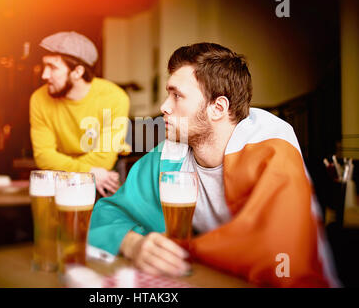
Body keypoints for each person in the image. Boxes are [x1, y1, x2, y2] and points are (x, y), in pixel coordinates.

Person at [89, 42, 340, 287]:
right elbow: (105, 214)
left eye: (177, 96)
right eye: (168, 94)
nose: (164, 107)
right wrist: (132, 243)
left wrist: (181, 249)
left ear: (217, 108)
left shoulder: (271, 145)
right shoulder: (170, 152)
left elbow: (275, 251)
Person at [30, 31, 130, 197]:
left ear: (78, 72)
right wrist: (88, 171)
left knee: (108, 218)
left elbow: (103, 159)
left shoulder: (114, 97)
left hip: (104, 172)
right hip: (69, 172)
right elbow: (43, 157)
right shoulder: (39, 99)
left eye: (53, 67)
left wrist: (68, 169)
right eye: (44, 66)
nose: (44, 75)